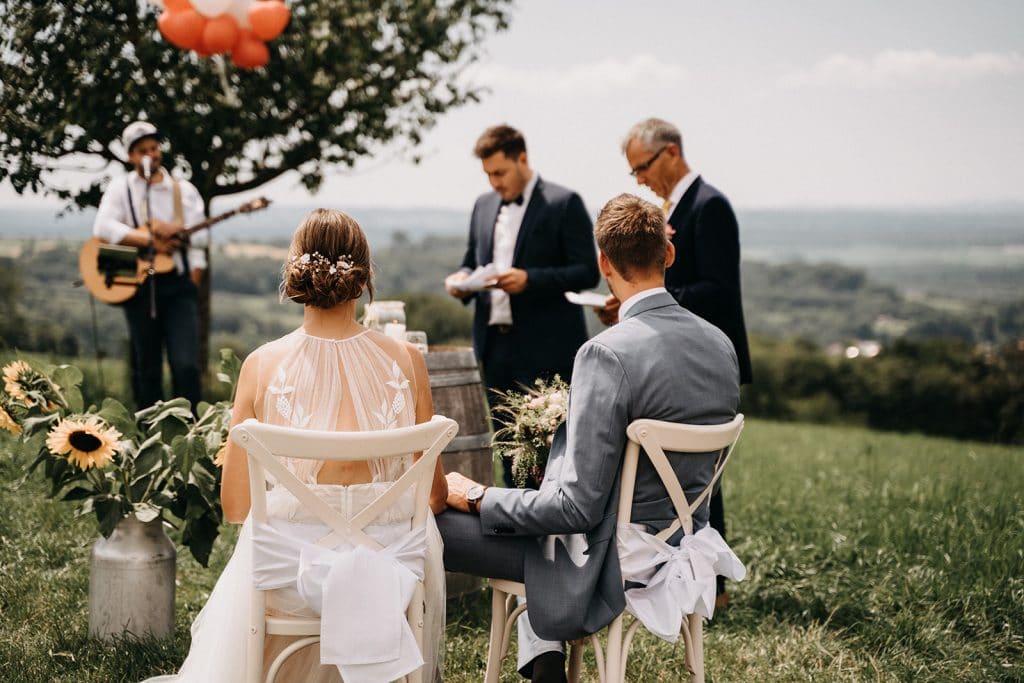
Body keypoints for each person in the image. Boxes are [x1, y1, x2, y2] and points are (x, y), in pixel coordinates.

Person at [438, 194, 740, 682]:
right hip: (681, 542)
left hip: (607, 554)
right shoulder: (720, 345)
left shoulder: (605, 353)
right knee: (530, 520)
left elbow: (573, 510)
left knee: (432, 525)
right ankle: (546, 665)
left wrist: (476, 495)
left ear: (603, 263)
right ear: (669, 254)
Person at [143, 209, 449, 683]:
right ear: (364, 276)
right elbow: (433, 497)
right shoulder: (408, 361)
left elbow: (237, 506)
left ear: (295, 271)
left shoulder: (262, 365)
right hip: (388, 575)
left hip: (291, 580)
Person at [614, 117, 753, 606]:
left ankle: (710, 581)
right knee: (690, 471)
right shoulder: (674, 207)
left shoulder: (710, 207)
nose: (640, 179)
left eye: (643, 167)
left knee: (704, 474)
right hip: (673, 353)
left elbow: (718, 289)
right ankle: (696, 574)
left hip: (705, 356)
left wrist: (651, 294)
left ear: (671, 152)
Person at [445, 124, 599, 486]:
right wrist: (462, 282)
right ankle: (514, 535)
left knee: (549, 452)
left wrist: (530, 279)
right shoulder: (483, 206)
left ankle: (555, 537)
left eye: (500, 172)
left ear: (523, 159)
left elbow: (587, 271)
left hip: (547, 348)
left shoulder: (563, 202)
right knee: (507, 448)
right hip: (495, 346)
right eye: (488, 175)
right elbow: (472, 260)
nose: (494, 183)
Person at [92, 120, 207, 410]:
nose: (150, 155)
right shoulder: (122, 189)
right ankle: (150, 437)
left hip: (178, 286)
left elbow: (201, 238)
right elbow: (103, 227)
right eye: (142, 150)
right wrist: (147, 238)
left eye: (154, 148)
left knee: (185, 365)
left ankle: (193, 431)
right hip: (139, 284)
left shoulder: (183, 190)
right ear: (131, 156)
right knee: (147, 368)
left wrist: (192, 279)